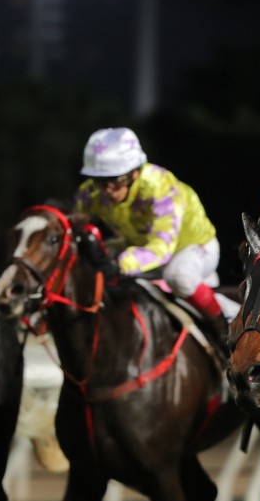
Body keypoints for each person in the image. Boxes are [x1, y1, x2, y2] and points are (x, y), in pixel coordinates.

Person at [72, 128, 227, 345]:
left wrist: (120, 265)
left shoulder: (159, 187)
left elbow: (161, 248)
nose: (107, 190)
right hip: (142, 246)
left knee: (178, 275)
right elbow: (75, 227)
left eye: (115, 180)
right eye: (100, 180)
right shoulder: (91, 192)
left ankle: (223, 325)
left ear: (135, 172)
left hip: (193, 248)